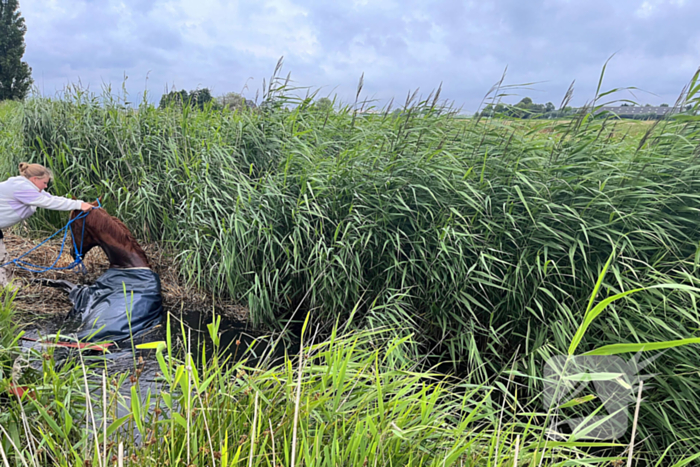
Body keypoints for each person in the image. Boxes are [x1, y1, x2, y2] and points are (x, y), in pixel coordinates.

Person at [0, 162, 92, 288]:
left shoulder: (27, 186)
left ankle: (8, 286)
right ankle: (9, 288)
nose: (46, 186)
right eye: (44, 183)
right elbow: (48, 202)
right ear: (34, 179)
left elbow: (52, 198)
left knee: (2, 257)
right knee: (2, 258)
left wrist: (81, 203)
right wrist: (79, 205)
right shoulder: (22, 188)